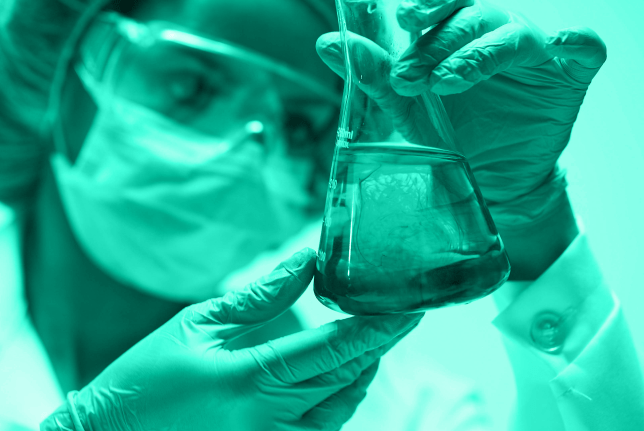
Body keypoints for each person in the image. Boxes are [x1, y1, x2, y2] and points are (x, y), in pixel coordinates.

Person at [0, 0, 642, 430]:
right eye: (192, 85)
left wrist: (529, 220)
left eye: (305, 127)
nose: (250, 146)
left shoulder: (400, 412)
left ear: (326, 181)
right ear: (67, 72)